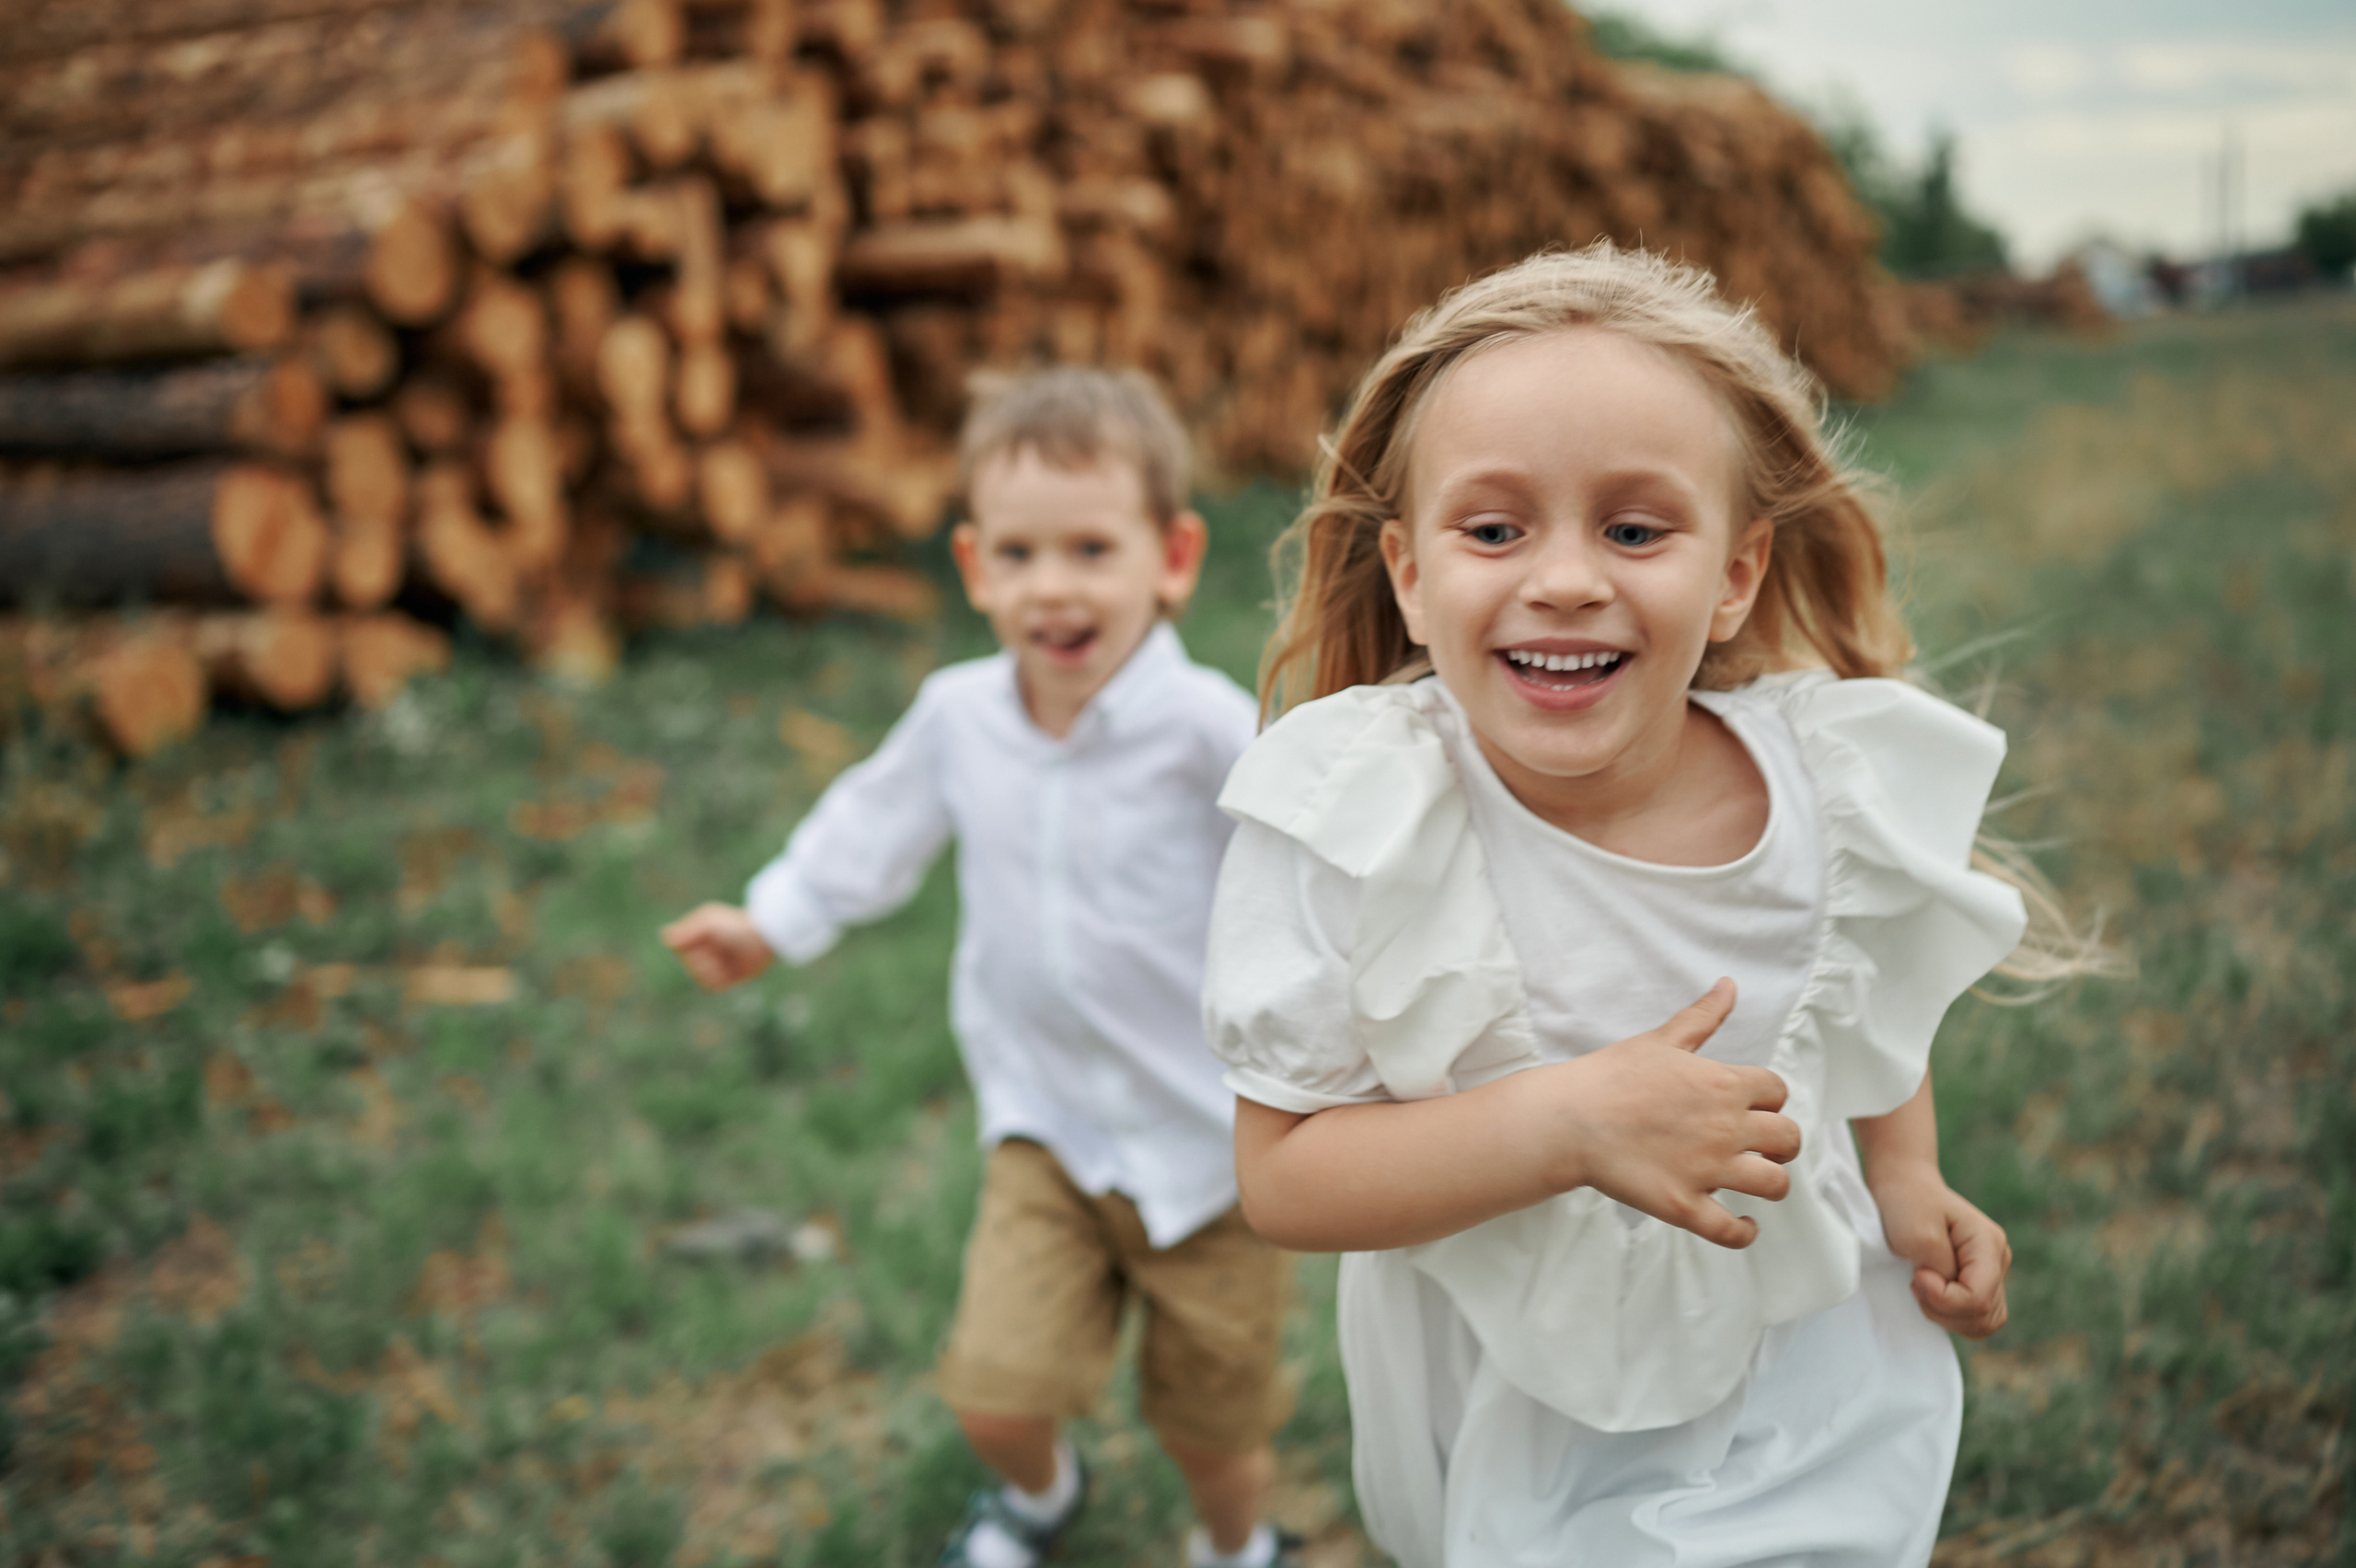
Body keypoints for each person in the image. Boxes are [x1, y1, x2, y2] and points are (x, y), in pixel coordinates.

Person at [1202, 245, 2099, 1567]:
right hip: (1513, 1388)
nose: (1565, 578)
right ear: (1406, 571)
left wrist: (1907, 1178)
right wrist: (1563, 1124)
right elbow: (1283, 1178)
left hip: (1801, 1369)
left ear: (1735, 574)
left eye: (1634, 529)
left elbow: (1852, 1005)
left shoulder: (1826, 787)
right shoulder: (1363, 819)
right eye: (1496, 529)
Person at [662, 367, 1300, 1568]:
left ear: (1170, 557)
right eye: (1017, 554)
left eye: (1089, 548)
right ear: (973, 568)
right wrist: (771, 920)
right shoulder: (960, 719)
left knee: (1214, 1429)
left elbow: (1312, 877)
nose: (1051, 585)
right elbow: (870, 829)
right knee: (993, 1393)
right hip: (1046, 1131)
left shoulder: (1209, 729)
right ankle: (1043, 1496)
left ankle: (1236, 1546)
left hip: (1214, 1153)